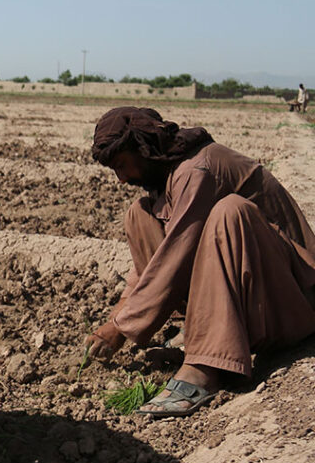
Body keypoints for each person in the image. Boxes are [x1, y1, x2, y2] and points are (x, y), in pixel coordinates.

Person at [87, 106, 315, 417]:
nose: (122, 179)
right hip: (255, 301)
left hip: (293, 303)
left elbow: (176, 258)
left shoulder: (197, 171)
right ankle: (197, 331)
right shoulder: (171, 176)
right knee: (140, 214)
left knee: (231, 212)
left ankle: (206, 363)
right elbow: (149, 270)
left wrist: (121, 328)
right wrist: (112, 323)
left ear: (144, 149)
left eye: (123, 165)